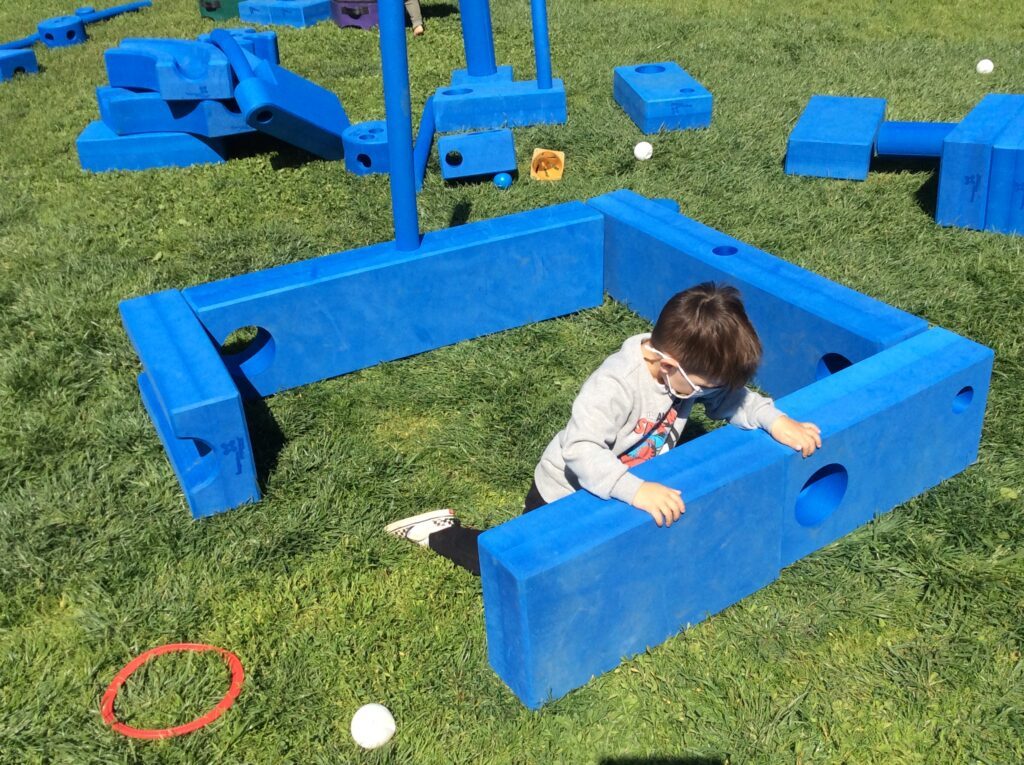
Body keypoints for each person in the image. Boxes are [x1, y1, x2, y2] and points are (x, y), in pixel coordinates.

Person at [385, 282, 822, 575]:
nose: (708, 393)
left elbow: (729, 399)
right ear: (669, 365)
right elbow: (581, 449)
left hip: (623, 484)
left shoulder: (687, 372)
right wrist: (636, 490)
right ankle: (441, 532)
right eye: (703, 386)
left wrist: (774, 419)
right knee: (518, 564)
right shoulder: (616, 383)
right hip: (563, 491)